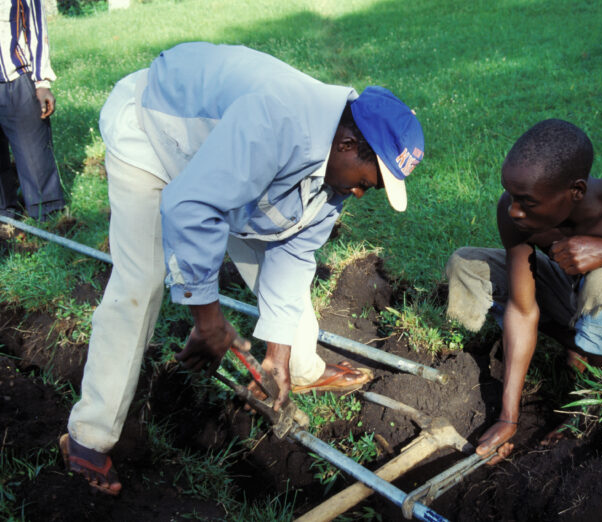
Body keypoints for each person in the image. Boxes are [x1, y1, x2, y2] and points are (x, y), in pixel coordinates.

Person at [59, 42, 424, 495]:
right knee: (141, 282)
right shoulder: (277, 123)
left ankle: (299, 370)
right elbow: (191, 205)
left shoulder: (333, 167)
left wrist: (279, 352)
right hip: (153, 131)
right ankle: (88, 436)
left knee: (276, 252)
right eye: (367, 183)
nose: (360, 195)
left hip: (227, 161)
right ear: (348, 144)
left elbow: (293, 255)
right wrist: (207, 319)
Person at [445, 119, 602, 464]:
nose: (513, 210)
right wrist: (508, 416)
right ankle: (585, 343)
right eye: (511, 194)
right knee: (468, 264)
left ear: (576, 191)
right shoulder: (515, 214)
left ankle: (594, 404)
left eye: (528, 202)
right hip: (580, 298)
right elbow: (523, 308)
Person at [0, 0, 64, 221]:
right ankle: (6, 217)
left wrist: (42, 82)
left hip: (15, 80)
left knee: (34, 158)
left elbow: (37, 28)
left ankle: (48, 219)